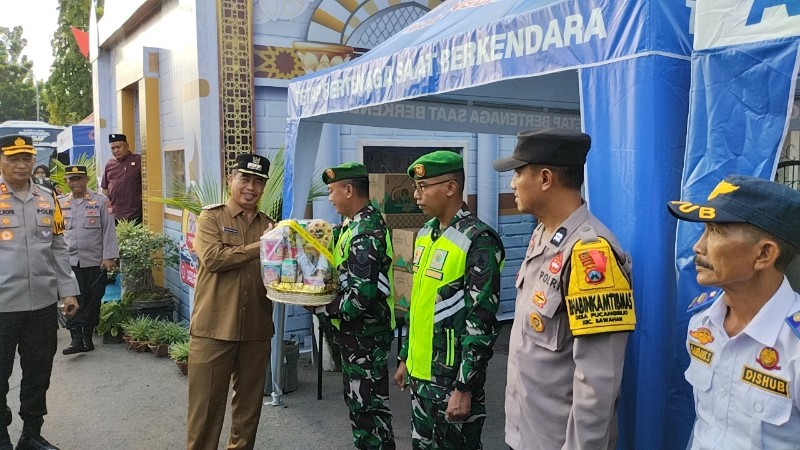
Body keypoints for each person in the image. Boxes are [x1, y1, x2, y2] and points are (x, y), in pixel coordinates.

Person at [493, 128, 636, 450]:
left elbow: (598, 382)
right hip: (526, 433)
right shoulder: (543, 234)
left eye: (518, 173)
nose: (512, 183)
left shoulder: (591, 255)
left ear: (545, 178)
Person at [667, 175, 800, 449]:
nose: (698, 246)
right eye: (705, 230)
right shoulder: (702, 323)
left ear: (764, 254)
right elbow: (706, 425)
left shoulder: (794, 346)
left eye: (716, 232)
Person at [393, 151, 505, 449]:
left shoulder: (478, 240)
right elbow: (420, 304)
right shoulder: (426, 234)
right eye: (415, 187)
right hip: (422, 377)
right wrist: (405, 357)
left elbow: (481, 323)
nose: (416, 195)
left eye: (423, 186)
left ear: (451, 188)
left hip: (451, 381)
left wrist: (464, 387)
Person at [187, 154, 275, 450]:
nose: (251, 187)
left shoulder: (270, 225)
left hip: (256, 328)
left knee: (248, 412)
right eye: (245, 179)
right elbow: (213, 259)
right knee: (205, 413)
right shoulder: (211, 218)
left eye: (258, 182)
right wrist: (261, 246)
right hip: (214, 328)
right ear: (230, 180)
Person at [0, 135, 80, 450]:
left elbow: (59, 247)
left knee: (38, 374)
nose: (21, 165)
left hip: (42, 305)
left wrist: (69, 291)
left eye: (27, 158)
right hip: (3, 306)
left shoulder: (47, 198)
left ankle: (31, 434)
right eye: (13, 159)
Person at [318, 162, 396, 449]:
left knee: (370, 412)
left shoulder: (366, 231)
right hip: (356, 337)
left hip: (366, 337)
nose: (330, 198)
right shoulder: (351, 225)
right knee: (360, 407)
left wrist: (321, 307)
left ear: (349, 190)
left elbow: (360, 298)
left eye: (332, 191)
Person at [58, 165, 119, 355]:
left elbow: (109, 230)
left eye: (79, 178)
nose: (75, 182)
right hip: (69, 262)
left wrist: (109, 256)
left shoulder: (101, 201)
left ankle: (87, 336)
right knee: (72, 297)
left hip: (94, 261)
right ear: (67, 181)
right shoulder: (60, 203)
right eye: (71, 179)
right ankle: (76, 338)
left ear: (86, 180)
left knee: (93, 299)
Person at [101, 133, 142, 223]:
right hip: (114, 214)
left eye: (118, 147)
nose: (116, 150)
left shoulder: (138, 160)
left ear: (127, 146)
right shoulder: (109, 164)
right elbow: (105, 188)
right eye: (113, 148)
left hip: (135, 214)